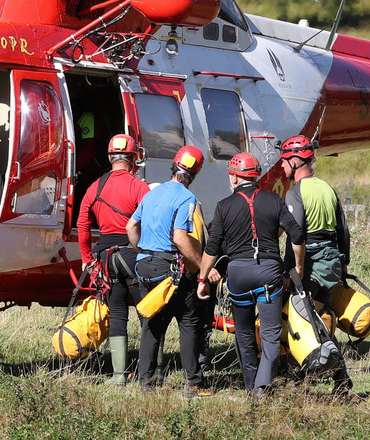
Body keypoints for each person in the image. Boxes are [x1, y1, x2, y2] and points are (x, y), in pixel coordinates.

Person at [197, 152, 296, 399]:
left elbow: (212, 248)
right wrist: (295, 268)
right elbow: (297, 233)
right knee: (270, 335)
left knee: (243, 333)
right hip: (269, 273)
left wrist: (202, 279)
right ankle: (263, 385)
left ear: (233, 177)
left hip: (238, 274)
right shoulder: (275, 201)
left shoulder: (223, 207)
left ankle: (251, 386)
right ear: (256, 176)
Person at [126, 145, 211, 397]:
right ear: (195, 174)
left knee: (152, 323)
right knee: (188, 322)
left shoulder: (151, 193)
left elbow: (131, 226)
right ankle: (194, 383)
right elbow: (181, 238)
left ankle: (146, 384)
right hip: (170, 269)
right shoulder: (187, 198)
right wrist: (198, 266)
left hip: (144, 265)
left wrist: (142, 250)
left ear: (173, 166)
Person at [279, 134, 353, 393]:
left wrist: (291, 271)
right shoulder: (327, 188)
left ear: (297, 161)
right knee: (324, 322)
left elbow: (295, 235)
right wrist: (343, 264)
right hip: (331, 263)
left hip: (308, 265)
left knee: (302, 320)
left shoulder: (295, 193)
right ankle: (340, 380)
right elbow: (343, 231)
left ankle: (306, 378)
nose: (282, 167)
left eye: (285, 161)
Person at [76, 134, 151, 386]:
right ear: (133, 158)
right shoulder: (139, 187)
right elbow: (149, 221)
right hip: (132, 254)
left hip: (105, 258)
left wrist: (86, 258)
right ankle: (149, 373)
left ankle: (118, 375)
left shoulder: (95, 187)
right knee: (147, 313)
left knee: (118, 314)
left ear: (110, 158)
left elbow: (83, 222)